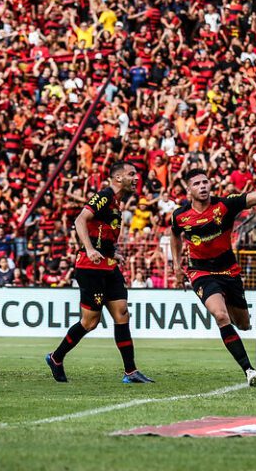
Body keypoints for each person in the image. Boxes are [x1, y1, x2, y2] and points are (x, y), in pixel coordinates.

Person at [170, 151, 256, 387]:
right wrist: (176, 264)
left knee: (243, 324)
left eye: (205, 182)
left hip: (229, 271)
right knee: (220, 315)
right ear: (189, 190)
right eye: (197, 184)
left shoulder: (225, 204)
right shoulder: (180, 215)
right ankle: (249, 370)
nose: (203, 186)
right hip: (201, 272)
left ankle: (233, 328)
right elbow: (174, 235)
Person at [45, 162, 153, 384]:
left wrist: (112, 252)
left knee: (122, 313)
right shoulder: (104, 196)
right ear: (118, 178)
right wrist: (90, 249)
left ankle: (131, 371)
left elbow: (102, 232)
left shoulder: (117, 202)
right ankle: (56, 357)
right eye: (131, 174)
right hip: (90, 267)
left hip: (108, 265)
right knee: (90, 322)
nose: (136, 178)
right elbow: (80, 220)